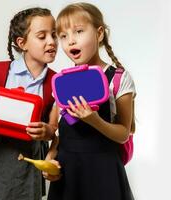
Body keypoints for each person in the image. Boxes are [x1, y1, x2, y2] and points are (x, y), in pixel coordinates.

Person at [43, 2, 136, 200]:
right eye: (63, 36)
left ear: (99, 33)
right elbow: (61, 130)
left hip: (103, 172)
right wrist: (51, 157)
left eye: (78, 31)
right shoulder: (61, 81)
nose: (70, 41)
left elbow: (123, 133)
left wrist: (95, 121)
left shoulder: (118, 78)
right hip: (68, 173)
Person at [0, 7, 59, 200]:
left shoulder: (56, 83)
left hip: (27, 160)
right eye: (42, 36)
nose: (51, 41)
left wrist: (45, 131)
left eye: (54, 35)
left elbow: (53, 127)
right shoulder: (0, 72)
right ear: (22, 43)